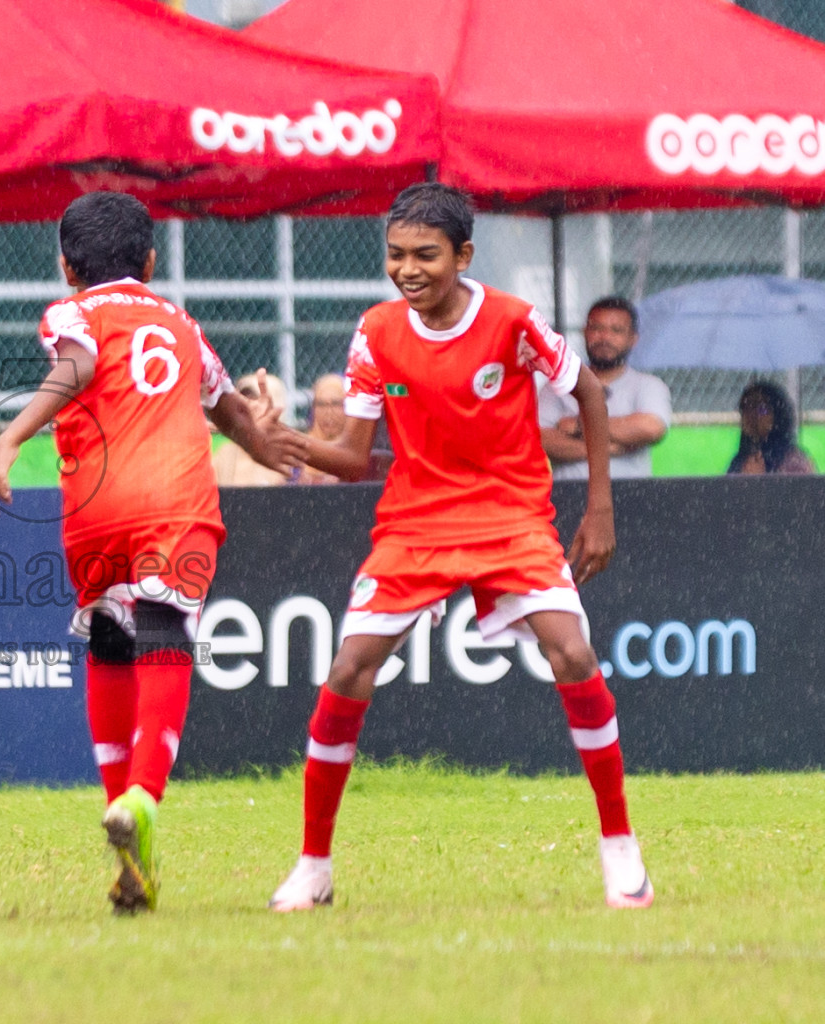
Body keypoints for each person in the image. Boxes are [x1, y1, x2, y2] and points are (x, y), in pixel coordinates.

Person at [269, 183, 652, 912]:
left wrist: (598, 508)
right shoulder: (375, 331)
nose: (407, 269)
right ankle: (312, 865)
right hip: (414, 523)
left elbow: (589, 397)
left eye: (425, 255)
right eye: (394, 255)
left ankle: (619, 848)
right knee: (349, 665)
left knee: (570, 653)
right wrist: (279, 439)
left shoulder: (510, 320)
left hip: (510, 515)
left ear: (462, 255)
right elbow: (352, 456)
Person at [0, 192, 303, 915]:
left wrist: (11, 435)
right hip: (173, 506)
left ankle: (128, 838)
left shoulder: (70, 310)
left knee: (110, 648)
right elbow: (227, 408)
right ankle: (143, 796)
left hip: (93, 513)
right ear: (150, 263)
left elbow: (78, 360)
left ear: (65, 266)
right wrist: (271, 448)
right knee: (163, 634)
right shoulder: (181, 324)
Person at [538, 297, 671, 478]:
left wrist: (578, 426)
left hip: (634, 495)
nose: (605, 337)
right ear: (585, 332)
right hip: (568, 496)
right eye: (597, 328)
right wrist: (609, 448)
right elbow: (540, 440)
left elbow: (651, 428)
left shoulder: (648, 385)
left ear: (633, 339)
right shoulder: (558, 385)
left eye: (616, 330)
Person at [213, 373, 294, 487]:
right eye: (243, 400)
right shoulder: (225, 454)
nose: (247, 407)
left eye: (254, 400)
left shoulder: (292, 455)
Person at [728, 380, 817, 475]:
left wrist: (756, 479)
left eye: (762, 409)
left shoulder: (793, 462)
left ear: (778, 414)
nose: (751, 415)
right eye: (745, 407)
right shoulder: (740, 460)